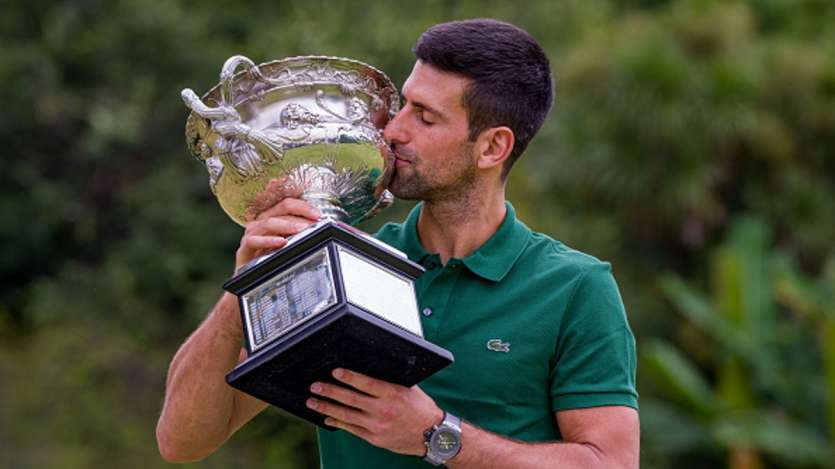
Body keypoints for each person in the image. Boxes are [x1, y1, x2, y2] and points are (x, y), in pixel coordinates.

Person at [157, 18, 639, 468]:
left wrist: (436, 435)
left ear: (493, 147)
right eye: (403, 104)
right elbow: (182, 442)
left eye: (425, 118)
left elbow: (611, 463)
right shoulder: (336, 262)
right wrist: (240, 294)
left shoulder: (576, 286)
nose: (393, 130)